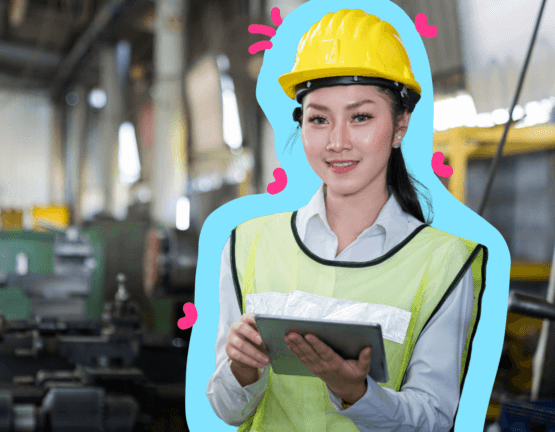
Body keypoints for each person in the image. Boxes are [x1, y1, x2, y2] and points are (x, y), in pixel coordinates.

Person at [206, 9, 487, 432]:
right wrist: (242, 369)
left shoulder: (445, 262)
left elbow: (433, 418)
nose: (337, 142)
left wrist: (356, 392)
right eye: (319, 119)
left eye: (360, 117)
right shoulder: (248, 243)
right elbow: (228, 411)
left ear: (400, 126)